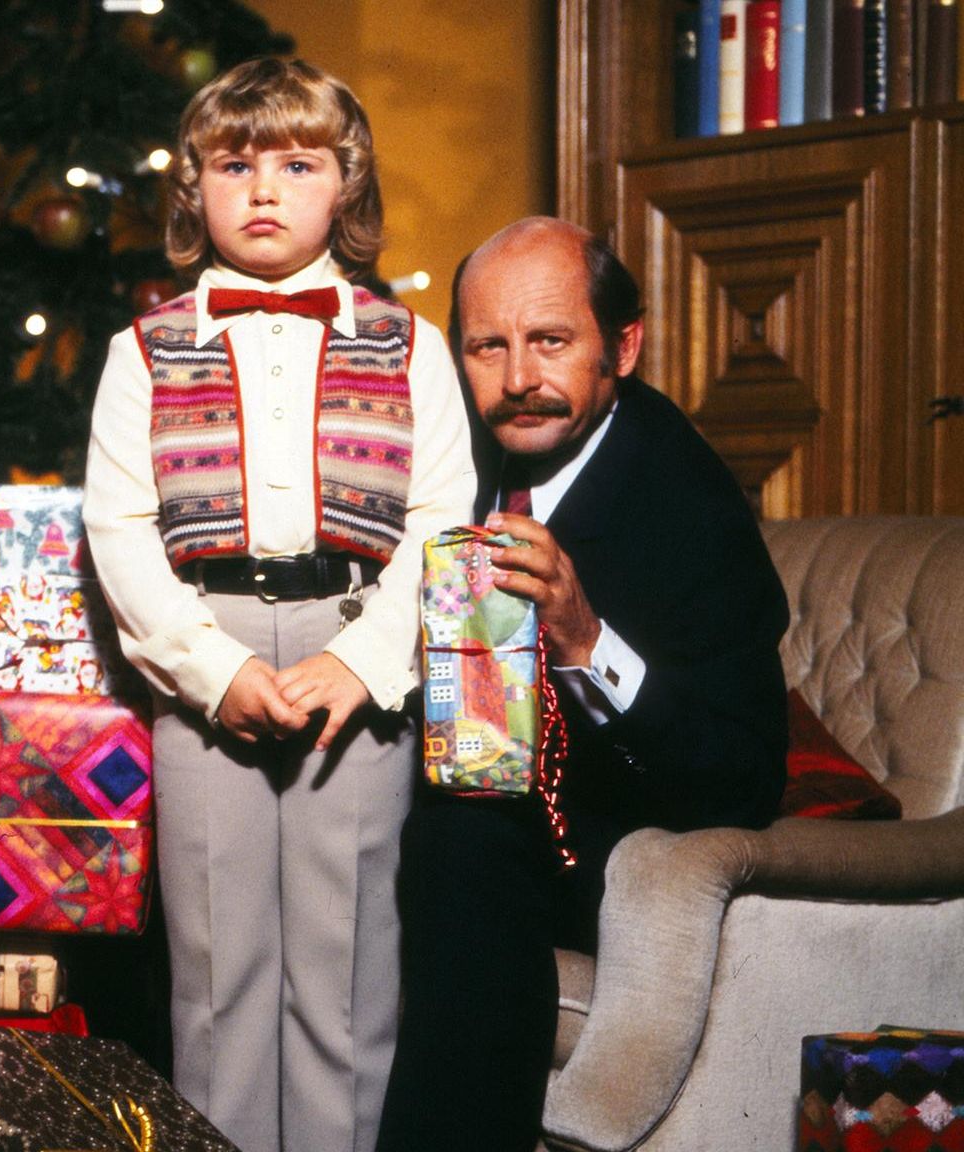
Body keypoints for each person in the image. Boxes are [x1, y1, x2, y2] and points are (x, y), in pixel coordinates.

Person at [82, 57, 476, 1152]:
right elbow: (117, 530)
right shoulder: (142, 353)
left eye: (296, 164)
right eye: (233, 166)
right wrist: (211, 671)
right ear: (190, 191)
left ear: (343, 186)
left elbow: (444, 527)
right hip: (203, 659)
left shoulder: (411, 347)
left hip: (356, 649)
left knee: (344, 964)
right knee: (215, 968)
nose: (262, 191)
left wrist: (361, 665)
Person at [374, 217, 789, 1152]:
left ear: (623, 348)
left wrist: (584, 637)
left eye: (551, 340)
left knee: (465, 838)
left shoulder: (688, 502)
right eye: (489, 345)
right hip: (441, 785)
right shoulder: (454, 457)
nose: (519, 377)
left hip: (599, 831)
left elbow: (742, 777)